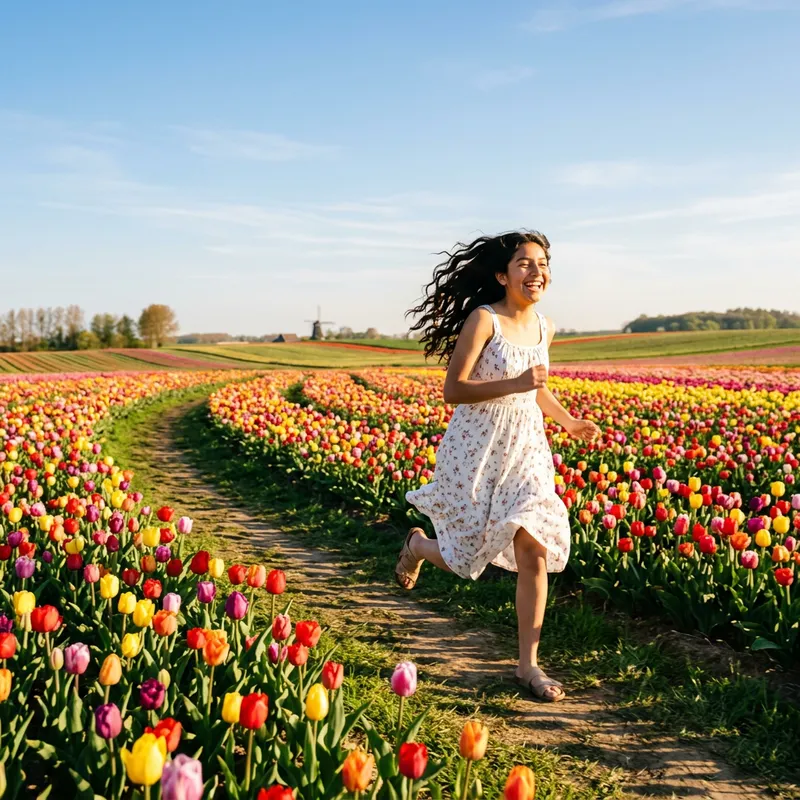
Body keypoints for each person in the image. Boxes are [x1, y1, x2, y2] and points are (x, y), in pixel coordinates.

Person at [395, 230, 600, 702]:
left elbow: (537, 388)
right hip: (477, 447)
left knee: (534, 547)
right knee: (465, 557)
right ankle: (419, 546)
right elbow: (455, 389)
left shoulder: (545, 327)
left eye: (543, 263)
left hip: (527, 447)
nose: (536, 271)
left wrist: (568, 422)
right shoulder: (484, 320)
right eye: (525, 263)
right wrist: (515, 382)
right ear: (502, 275)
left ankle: (528, 665)